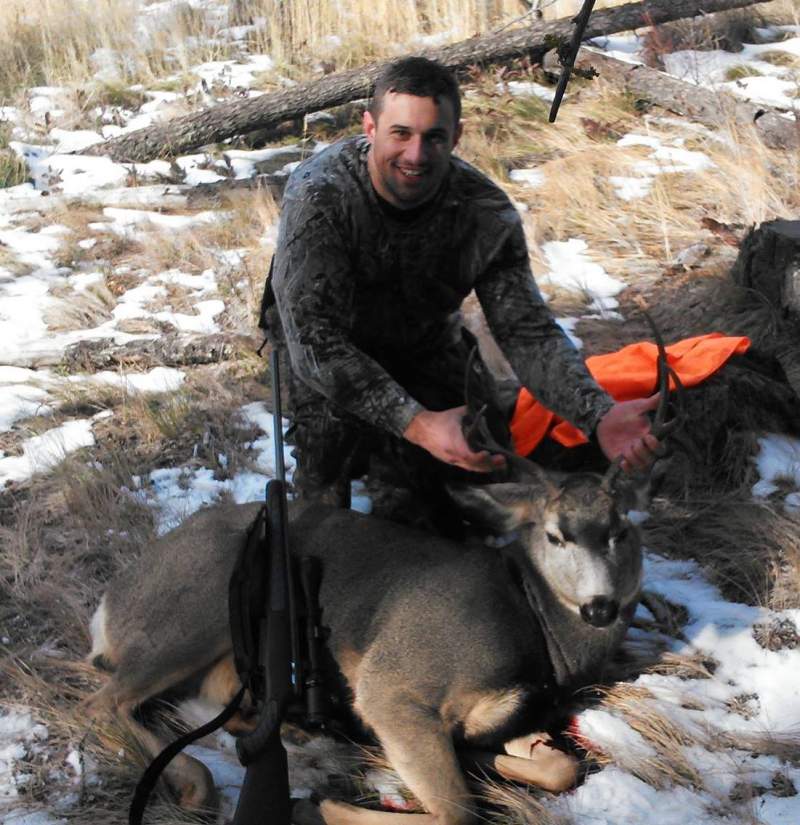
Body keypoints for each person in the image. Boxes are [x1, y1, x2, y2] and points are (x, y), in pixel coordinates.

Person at [263, 56, 660, 523]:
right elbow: (314, 342)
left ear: (456, 136)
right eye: (400, 134)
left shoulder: (485, 213)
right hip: (332, 352)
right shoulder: (319, 195)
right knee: (324, 490)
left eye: (434, 137)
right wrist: (418, 424)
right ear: (369, 127)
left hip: (424, 344)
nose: (415, 155)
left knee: (479, 482)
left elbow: (527, 333)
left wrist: (597, 416)